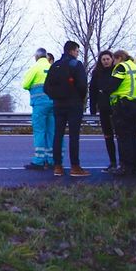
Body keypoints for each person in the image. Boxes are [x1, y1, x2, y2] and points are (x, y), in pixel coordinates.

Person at [44, 40, 89, 177]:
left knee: (58, 134)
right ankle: (75, 167)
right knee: (74, 136)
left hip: (58, 104)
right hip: (74, 104)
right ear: (72, 50)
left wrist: (56, 96)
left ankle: (58, 166)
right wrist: (79, 98)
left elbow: (46, 87)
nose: (77, 53)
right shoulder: (76, 64)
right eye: (77, 51)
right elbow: (82, 85)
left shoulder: (55, 65)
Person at [109, 50, 136, 177]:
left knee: (124, 138)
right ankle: (135, 166)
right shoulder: (135, 67)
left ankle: (125, 166)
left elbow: (113, 85)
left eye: (114, 60)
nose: (113, 63)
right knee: (135, 138)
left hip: (124, 106)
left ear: (118, 58)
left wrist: (103, 90)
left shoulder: (121, 67)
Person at [22, 48, 54, 170]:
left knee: (40, 131)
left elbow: (25, 84)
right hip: (54, 103)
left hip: (40, 104)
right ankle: (53, 160)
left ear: (36, 57)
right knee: (52, 132)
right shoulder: (53, 67)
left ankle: (39, 160)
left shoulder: (35, 68)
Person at [88, 50, 118, 173]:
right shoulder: (96, 74)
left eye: (108, 59)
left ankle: (124, 163)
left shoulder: (116, 71)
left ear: (112, 59)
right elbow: (92, 90)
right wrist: (93, 107)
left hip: (117, 108)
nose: (106, 61)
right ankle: (112, 162)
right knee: (108, 136)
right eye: (103, 59)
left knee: (120, 136)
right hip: (104, 108)